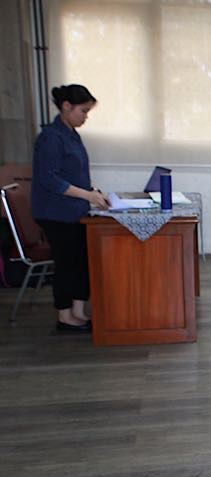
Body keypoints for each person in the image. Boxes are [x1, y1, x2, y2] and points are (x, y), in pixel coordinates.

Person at [31, 84, 110, 332]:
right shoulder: (51, 138)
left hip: (75, 211)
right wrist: (87, 195)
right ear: (66, 106)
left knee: (81, 262)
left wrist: (94, 193)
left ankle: (78, 313)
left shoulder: (72, 135)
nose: (85, 117)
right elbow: (50, 179)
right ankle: (65, 317)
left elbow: (75, 174)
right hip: (56, 213)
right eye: (83, 111)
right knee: (67, 264)